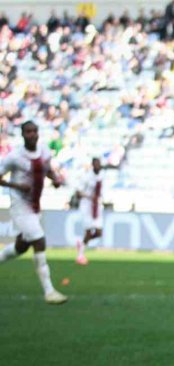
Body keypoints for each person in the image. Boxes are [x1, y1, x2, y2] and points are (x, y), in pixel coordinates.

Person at [0, 121, 67, 304]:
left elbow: (47, 170)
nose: (32, 134)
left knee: (22, 246)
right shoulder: (14, 157)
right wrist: (16, 185)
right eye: (28, 131)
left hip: (35, 205)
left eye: (35, 131)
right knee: (39, 240)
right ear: (22, 135)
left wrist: (55, 179)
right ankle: (49, 291)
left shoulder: (44, 151)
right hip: (19, 205)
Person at [75, 157, 116, 265]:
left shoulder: (102, 175)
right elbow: (78, 193)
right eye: (96, 164)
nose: (98, 165)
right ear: (92, 165)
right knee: (88, 231)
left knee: (99, 233)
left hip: (97, 206)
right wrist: (89, 196)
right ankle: (80, 256)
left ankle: (81, 243)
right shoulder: (86, 177)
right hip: (87, 206)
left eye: (99, 163)